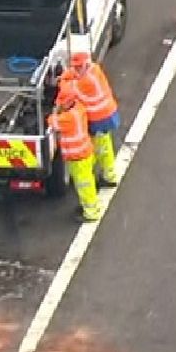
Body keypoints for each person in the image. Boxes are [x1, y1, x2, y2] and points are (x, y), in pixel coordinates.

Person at [61, 43, 122, 186]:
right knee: (103, 146)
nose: (75, 69)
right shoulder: (93, 69)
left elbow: (68, 90)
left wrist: (62, 79)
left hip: (99, 118)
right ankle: (109, 175)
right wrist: (68, 74)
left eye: (78, 66)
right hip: (105, 115)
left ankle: (109, 177)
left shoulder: (86, 81)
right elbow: (74, 75)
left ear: (84, 64)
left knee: (101, 148)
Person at [49, 96, 101, 222]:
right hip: (83, 153)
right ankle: (90, 206)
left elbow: (52, 121)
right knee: (86, 182)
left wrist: (55, 112)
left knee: (84, 184)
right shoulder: (78, 108)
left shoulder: (68, 118)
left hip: (78, 157)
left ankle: (91, 213)